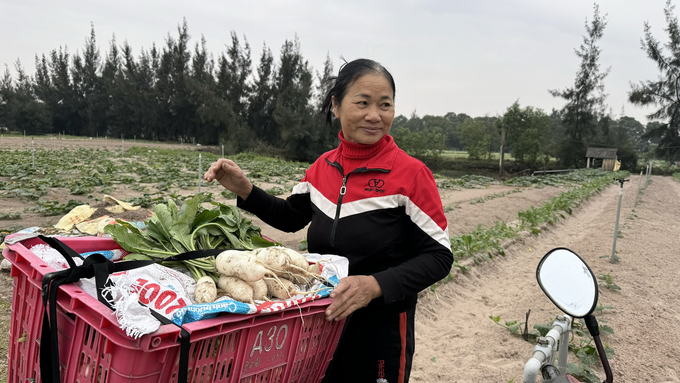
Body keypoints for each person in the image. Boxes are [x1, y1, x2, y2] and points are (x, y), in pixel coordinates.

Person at [204, 58, 453, 383]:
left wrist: (374, 285)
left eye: (385, 105)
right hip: (323, 318)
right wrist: (246, 190)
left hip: (382, 328)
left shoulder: (412, 175)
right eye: (362, 103)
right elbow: (291, 217)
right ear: (336, 105)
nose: (374, 115)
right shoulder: (323, 167)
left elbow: (439, 257)